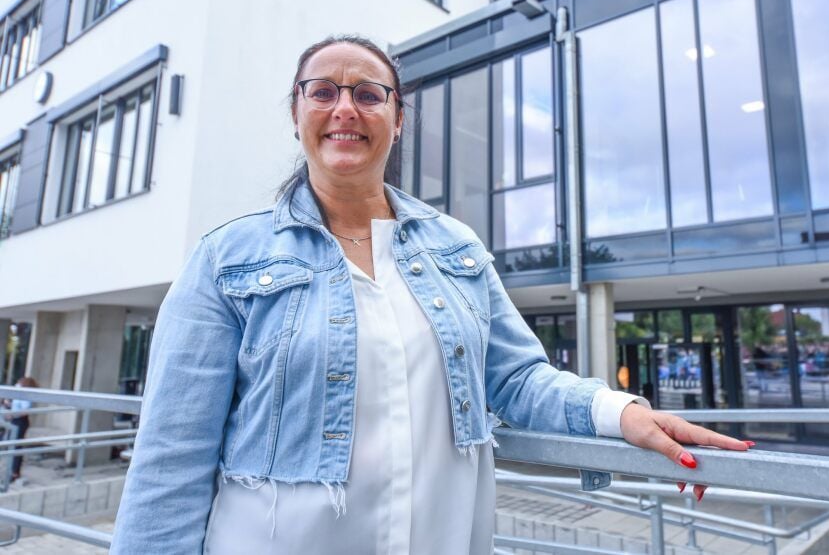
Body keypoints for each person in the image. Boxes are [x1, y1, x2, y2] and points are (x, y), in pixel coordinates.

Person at [110, 35, 752, 554]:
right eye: (323, 91)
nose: (345, 108)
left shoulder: (456, 246)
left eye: (368, 93)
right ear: (297, 112)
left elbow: (518, 378)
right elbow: (171, 460)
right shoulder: (226, 259)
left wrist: (623, 415)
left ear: (397, 116)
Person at [2, 376, 39, 482]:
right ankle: (10, 470)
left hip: (20, 421)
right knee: (10, 444)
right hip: (14, 419)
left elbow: (24, 411)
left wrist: (13, 415)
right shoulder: (18, 394)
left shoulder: (26, 396)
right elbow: (14, 405)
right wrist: (8, 404)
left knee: (16, 446)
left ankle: (15, 472)